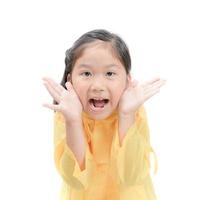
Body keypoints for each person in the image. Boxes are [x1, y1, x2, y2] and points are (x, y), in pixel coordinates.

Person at [42, 29, 165, 200]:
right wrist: (73, 121)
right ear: (70, 80)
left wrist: (127, 115)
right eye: (86, 73)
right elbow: (75, 180)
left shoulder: (134, 111)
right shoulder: (66, 114)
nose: (98, 86)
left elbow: (132, 176)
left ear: (127, 80)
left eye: (110, 73)